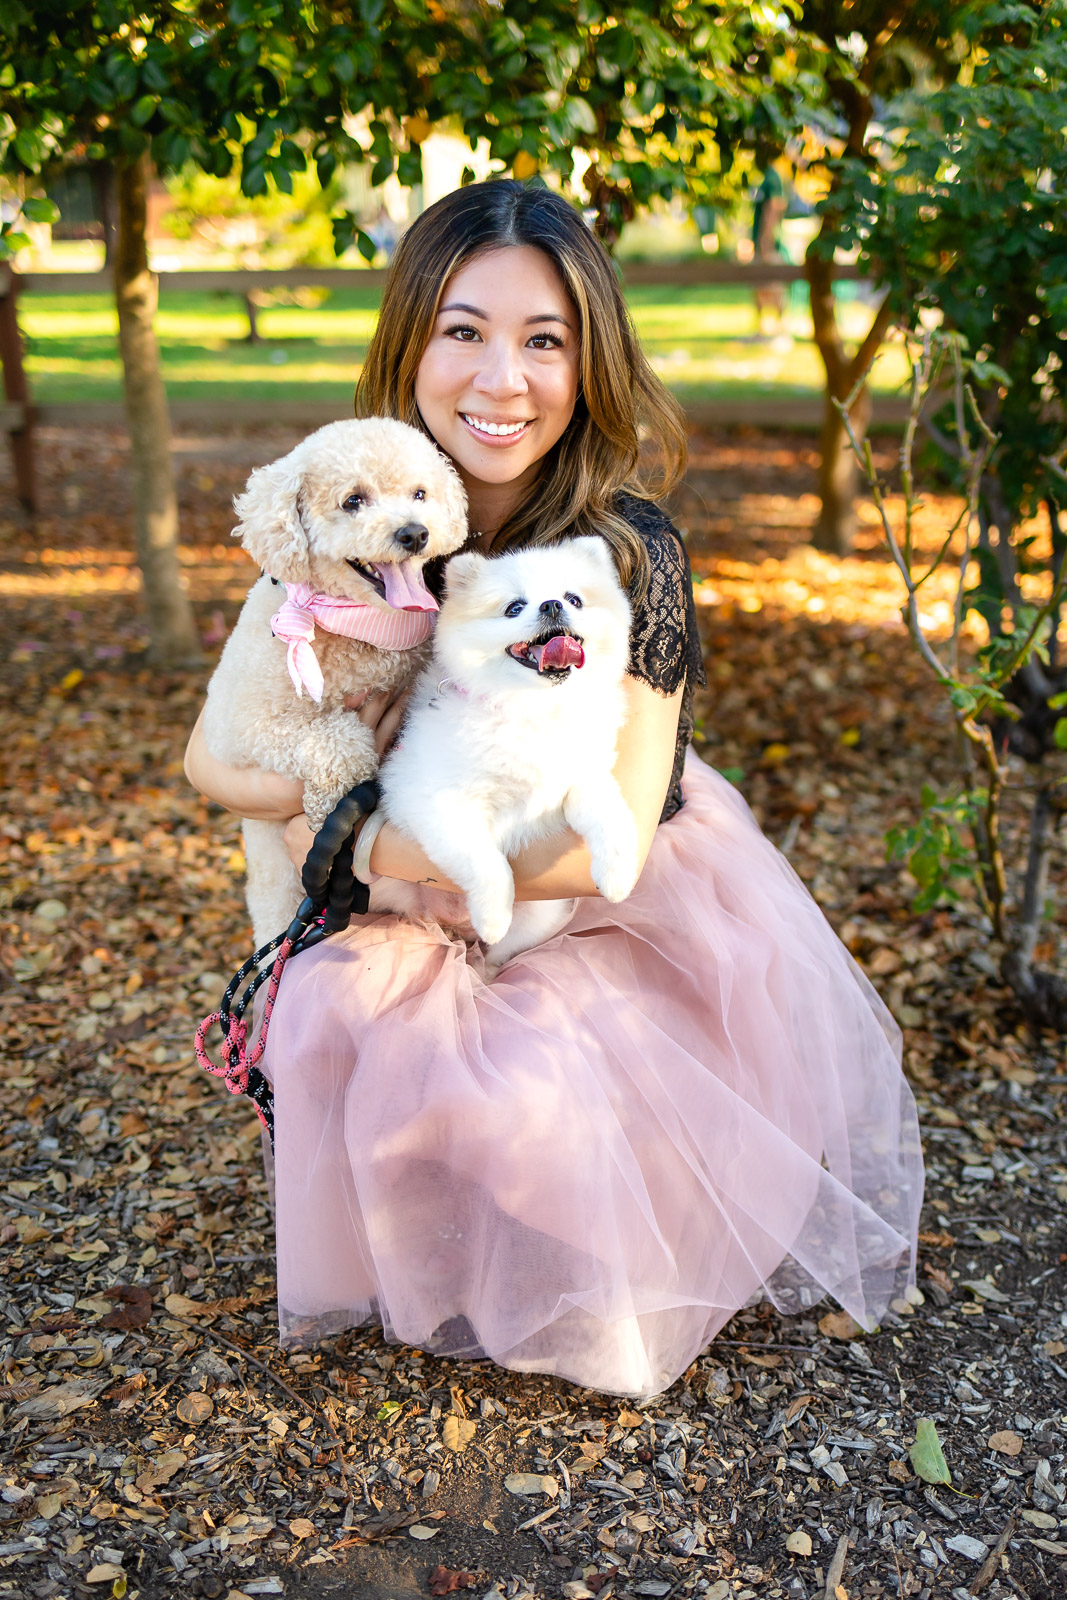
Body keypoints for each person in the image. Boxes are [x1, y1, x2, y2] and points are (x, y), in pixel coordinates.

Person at [184, 179, 923, 1398]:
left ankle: (577, 1236)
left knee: (550, 1093)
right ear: (410, 336)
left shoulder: (625, 545)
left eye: (544, 341)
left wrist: (359, 845)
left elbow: (604, 841)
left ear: (589, 363)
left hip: (591, 882)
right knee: (356, 1020)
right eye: (463, 331)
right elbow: (211, 759)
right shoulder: (363, 507)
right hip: (423, 859)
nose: (500, 379)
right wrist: (324, 815)